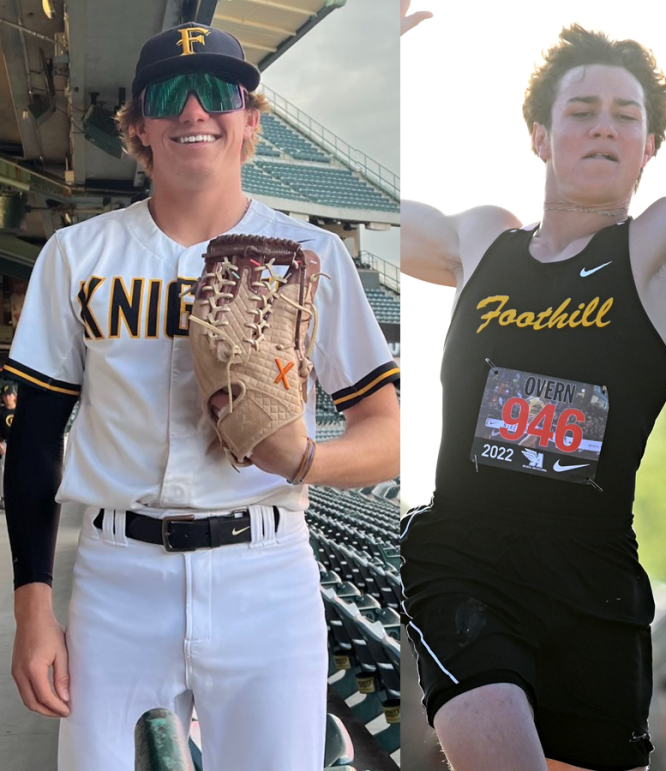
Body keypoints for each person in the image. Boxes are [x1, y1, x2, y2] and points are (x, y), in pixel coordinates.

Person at [397, 1, 666, 769]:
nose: (604, 126)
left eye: (626, 115)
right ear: (541, 136)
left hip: (596, 584)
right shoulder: (482, 241)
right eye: (581, 111)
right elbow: (362, 223)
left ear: (649, 147)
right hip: (465, 563)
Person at [2, 22, 400, 771]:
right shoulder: (77, 255)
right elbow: (34, 438)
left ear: (250, 118)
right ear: (138, 127)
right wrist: (32, 607)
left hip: (267, 574)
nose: (194, 111)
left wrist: (305, 458)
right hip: (118, 577)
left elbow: (390, 429)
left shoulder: (315, 257)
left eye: (218, 92)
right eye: (169, 97)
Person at [0, 385, 15, 509]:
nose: (7, 397)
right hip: (5, 443)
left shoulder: (20, 410)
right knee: (4, 470)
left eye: (9, 394)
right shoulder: (1, 412)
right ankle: (4, 497)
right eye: (5, 395)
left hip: (19, 443)